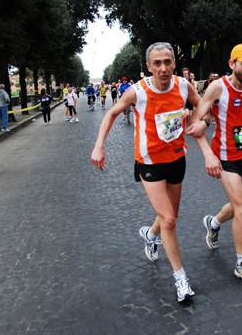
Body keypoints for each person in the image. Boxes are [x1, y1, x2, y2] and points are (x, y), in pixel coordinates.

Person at [91, 42, 202, 302]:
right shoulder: (137, 92)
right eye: (157, 63)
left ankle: (150, 235)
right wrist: (98, 146)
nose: (163, 68)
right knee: (170, 220)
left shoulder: (184, 86)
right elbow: (111, 114)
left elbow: (201, 105)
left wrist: (202, 120)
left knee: (169, 216)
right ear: (149, 66)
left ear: (174, 64)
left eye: (167, 62)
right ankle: (181, 279)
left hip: (177, 158)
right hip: (149, 162)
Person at [186, 43, 242, 285]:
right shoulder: (218, 88)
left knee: (239, 206)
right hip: (225, 158)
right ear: (232, 64)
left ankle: (213, 223)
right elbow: (198, 122)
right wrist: (208, 154)